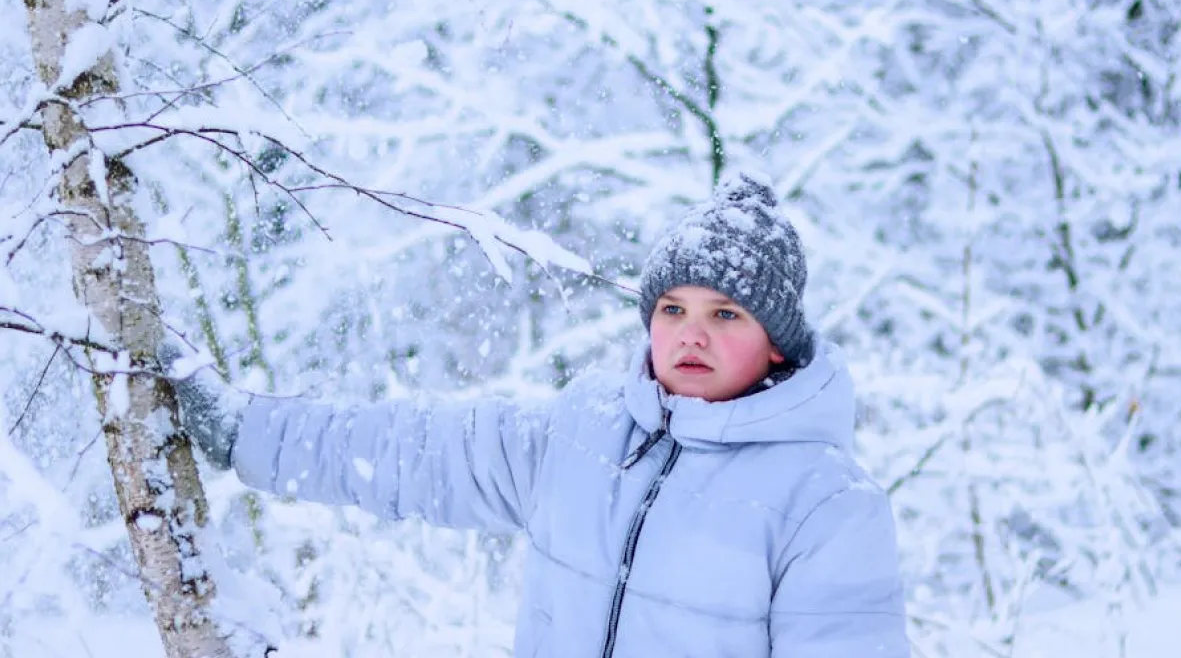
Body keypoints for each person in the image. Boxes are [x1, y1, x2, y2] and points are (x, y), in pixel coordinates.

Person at [175, 174, 909, 658]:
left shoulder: (825, 504)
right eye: (672, 308)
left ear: (777, 344)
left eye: (726, 314)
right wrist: (248, 434)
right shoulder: (587, 431)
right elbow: (416, 453)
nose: (691, 333)